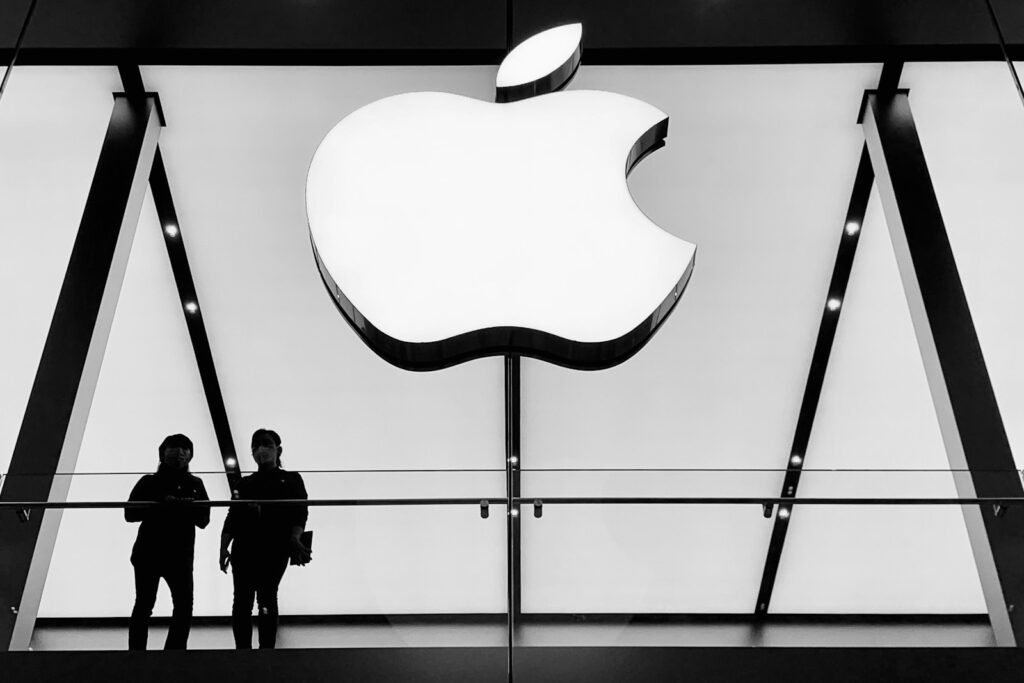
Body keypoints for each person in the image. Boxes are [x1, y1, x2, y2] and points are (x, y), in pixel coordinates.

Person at [220, 428, 310, 649]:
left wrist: (295, 537)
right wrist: (223, 547)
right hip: (247, 547)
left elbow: (300, 512)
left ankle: (264, 651)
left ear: (278, 450)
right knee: (246, 600)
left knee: (264, 597)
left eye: (267, 445)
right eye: (256, 446)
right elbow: (233, 516)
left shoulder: (291, 479)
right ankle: (247, 651)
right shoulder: (245, 483)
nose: (261, 450)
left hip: (274, 546)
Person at [125, 433, 210, 650]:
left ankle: (159, 654)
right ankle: (150, 655)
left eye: (185, 448)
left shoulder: (194, 483)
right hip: (153, 553)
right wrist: (166, 505)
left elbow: (204, 519)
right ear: (162, 453)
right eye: (175, 447)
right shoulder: (150, 481)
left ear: (190, 455)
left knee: (173, 605)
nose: (180, 452)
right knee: (150, 604)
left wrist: (178, 507)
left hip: (173, 554)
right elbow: (130, 513)